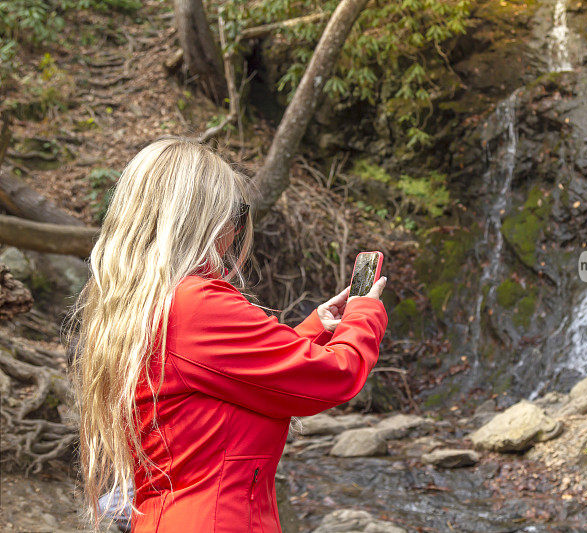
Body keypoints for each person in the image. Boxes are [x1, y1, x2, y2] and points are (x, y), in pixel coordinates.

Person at [69, 137, 389, 532]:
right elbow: (336, 375)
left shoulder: (145, 301)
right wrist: (366, 313)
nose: (237, 228)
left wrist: (316, 329)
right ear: (200, 218)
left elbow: (234, 373)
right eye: (234, 213)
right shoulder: (195, 304)